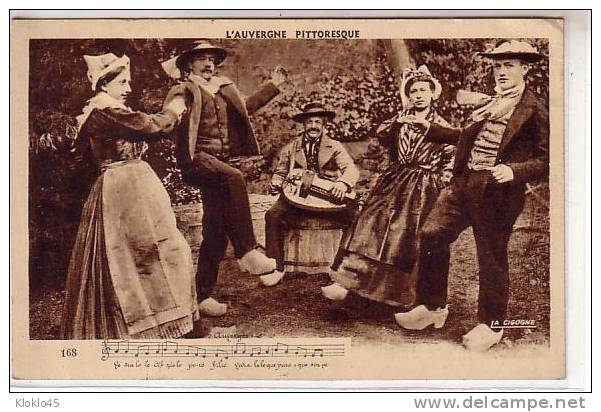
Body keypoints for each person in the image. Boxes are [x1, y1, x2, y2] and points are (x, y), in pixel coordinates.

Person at [394, 40, 549, 352]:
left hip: (498, 190)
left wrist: (515, 171)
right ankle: (433, 307)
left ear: (524, 68)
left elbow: (547, 159)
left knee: (491, 256)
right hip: (464, 183)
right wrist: (429, 127)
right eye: (497, 66)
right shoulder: (491, 103)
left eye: (509, 65)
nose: (501, 72)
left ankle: (491, 326)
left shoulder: (534, 109)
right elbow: (464, 138)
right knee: (432, 233)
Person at [60, 53, 202, 340]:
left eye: (128, 81)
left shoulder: (104, 112)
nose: (128, 88)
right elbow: (152, 126)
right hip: (125, 189)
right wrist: (175, 107)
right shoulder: (106, 111)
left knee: (145, 254)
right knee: (149, 253)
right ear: (103, 85)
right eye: (122, 82)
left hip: (127, 184)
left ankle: (169, 322)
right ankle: (150, 327)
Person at [162, 41, 288, 316]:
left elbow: (246, 108)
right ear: (188, 65)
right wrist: (167, 117)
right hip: (197, 160)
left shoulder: (221, 89)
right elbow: (173, 110)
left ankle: (202, 296)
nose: (208, 64)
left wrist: (273, 86)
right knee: (234, 178)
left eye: (211, 59)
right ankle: (247, 251)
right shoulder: (184, 90)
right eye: (201, 59)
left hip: (218, 165)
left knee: (215, 234)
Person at [321, 66, 455, 309]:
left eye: (423, 90)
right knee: (370, 222)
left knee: (405, 235)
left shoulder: (442, 125)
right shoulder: (401, 119)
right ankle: (349, 281)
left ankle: (402, 295)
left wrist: (443, 180)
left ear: (433, 94)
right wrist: (397, 122)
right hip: (395, 180)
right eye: (413, 91)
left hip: (423, 187)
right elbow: (382, 134)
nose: (418, 95)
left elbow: (451, 156)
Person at [263, 102, 360, 287]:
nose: (314, 126)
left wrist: (341, 183)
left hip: (327, 199)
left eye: (317, 122)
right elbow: (281, 171)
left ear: (324, 125)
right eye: (310, 122)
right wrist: (276, 181)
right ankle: (276, 268)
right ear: (304, 125)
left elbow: (351, 170)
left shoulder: (334, 146)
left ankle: (341, 270)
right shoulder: (292, 148)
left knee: (355, 218)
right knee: (272, 216)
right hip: (297, 200)